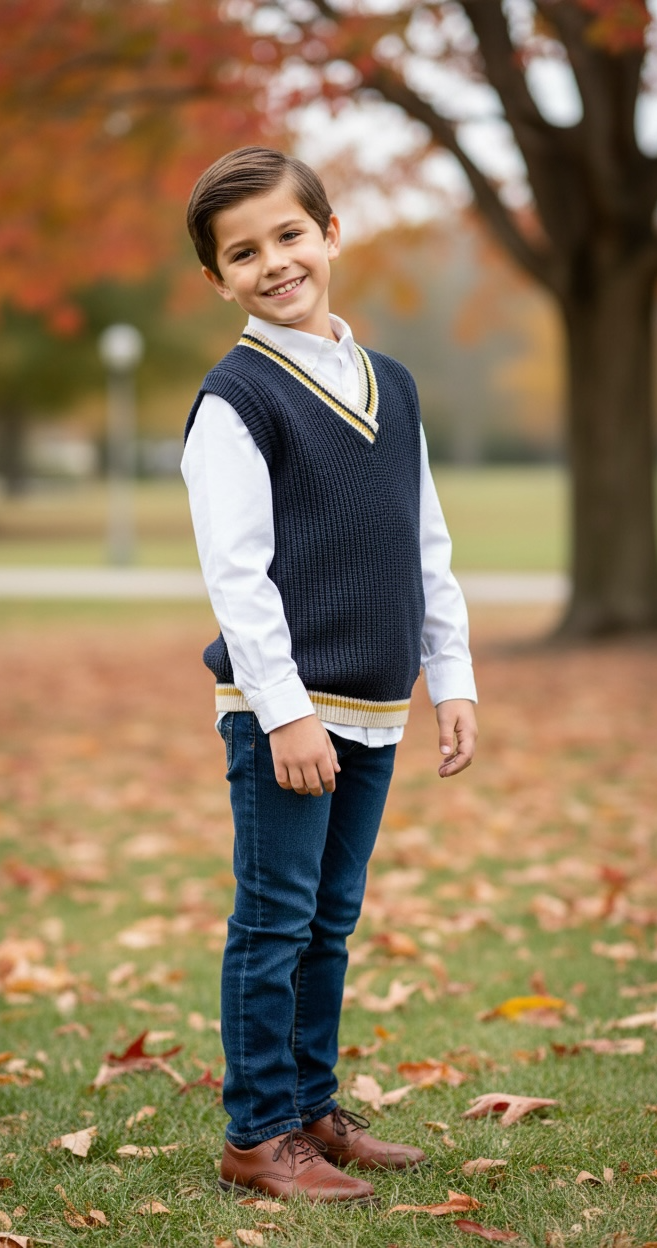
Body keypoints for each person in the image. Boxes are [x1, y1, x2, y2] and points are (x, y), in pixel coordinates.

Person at [181, 146, 478, 1205]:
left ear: (330, 234)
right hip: (289, 714)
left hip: (375, 705)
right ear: (218, 279)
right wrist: (284, 712)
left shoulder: (391, 384)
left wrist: (453, 675)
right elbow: (238, 573)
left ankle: (310, 1109)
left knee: (330, 919)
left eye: (289, 235)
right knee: (275, 920)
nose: (273, 262)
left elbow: (423, 541)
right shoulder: (237, 398)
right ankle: (257, 1135)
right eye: (243, 253)